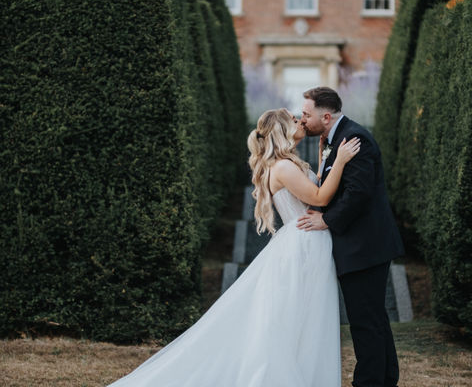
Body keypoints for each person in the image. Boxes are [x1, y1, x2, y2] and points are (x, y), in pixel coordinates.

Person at [108, 107, 360, 387]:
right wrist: (340, 161)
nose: (301, 120)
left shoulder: (288, 163)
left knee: (306, 319)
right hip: (303, 245)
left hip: (308, 242)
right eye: (294, 118)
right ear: (282, 130)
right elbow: (319, 197)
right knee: (300, 318)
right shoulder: (283, 167)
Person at [296, 87, 405, 387]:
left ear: (326, 116)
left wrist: (326, 220)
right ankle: (385, 378)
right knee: (374, 318)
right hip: (362, 245)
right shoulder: (333, 139)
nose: (302, 119)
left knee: (364, 321)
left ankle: (369, 381)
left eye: (307, 115)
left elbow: (359, 193)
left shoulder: (355, 139)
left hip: (365, 246)